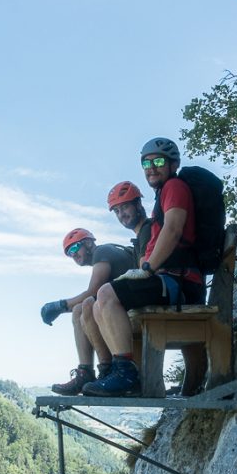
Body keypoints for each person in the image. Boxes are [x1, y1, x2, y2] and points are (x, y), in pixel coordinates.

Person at [84, 137, 205, 397]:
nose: (151, 167)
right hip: (173, 280)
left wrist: (148, 269)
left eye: (158, 161)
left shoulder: (174, 186)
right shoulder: (166, 192)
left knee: (105, 294)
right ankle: (119, 371)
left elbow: (173, 229)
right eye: (146, 163)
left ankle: (126, 374)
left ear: (173, 164)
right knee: (98, 304)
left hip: (178, 282)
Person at [40, 228, 133, 395]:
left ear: (89, 243)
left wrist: (60, 306)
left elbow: (93, 291)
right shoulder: (102, 255)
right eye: (69, 253)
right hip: (123, 303)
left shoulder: (102, 251)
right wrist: (63, 307)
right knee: (78, 310)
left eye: (75, 248)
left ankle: (106, 369)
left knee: (88, 303)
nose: (73, 255)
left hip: (132, 302)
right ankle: (85, 373)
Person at [106, 180, 152, 265]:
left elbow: (144, 273)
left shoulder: (148, 229)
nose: (121, 214)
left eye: (125, 207)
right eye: (116, 211)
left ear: (138, 204)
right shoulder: (139, 238)